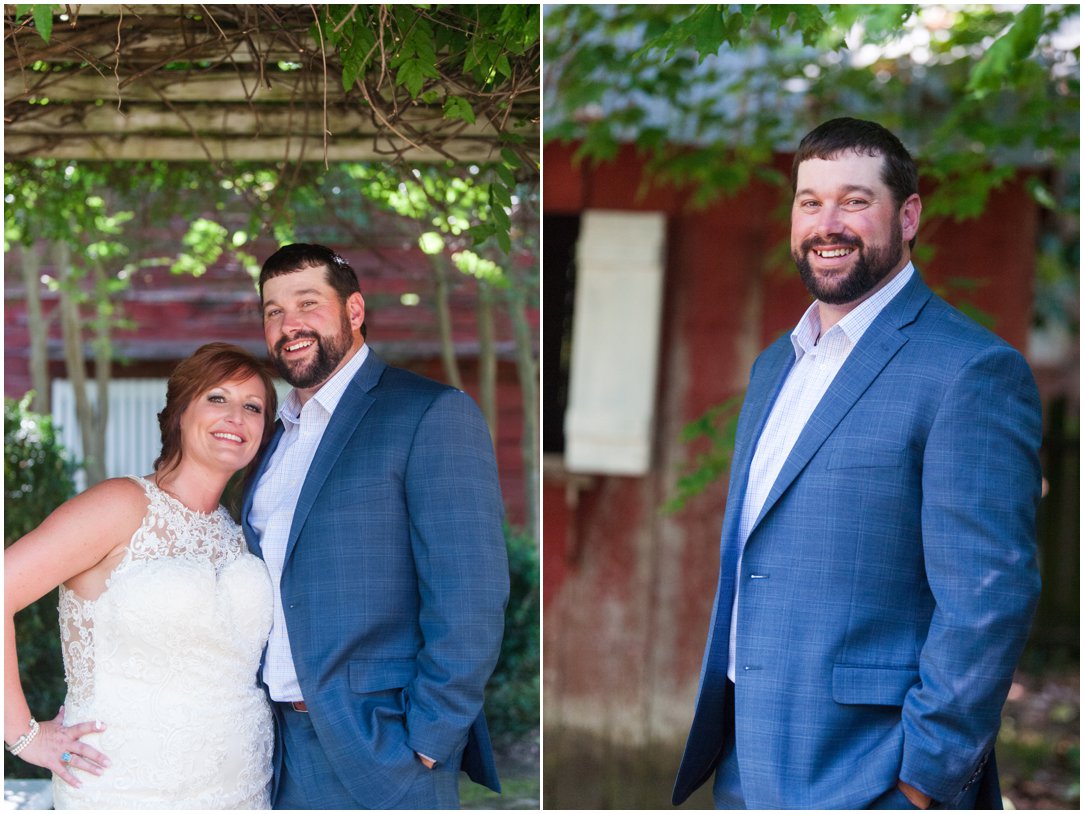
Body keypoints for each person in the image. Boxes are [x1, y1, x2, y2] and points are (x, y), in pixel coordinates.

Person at [672, 118, 1043, 810]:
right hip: (747, 761)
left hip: (872, 770)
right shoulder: (775, 366)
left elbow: (989, 596)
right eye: (810, 202)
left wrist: (923, 783)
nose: (828, 224)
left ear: (908, 216)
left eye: (855, 200)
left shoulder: (970, 371)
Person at [242, 243, 509, 810]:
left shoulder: (429, 413)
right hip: (275, 749)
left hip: (382, 746)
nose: (289, 325)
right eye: (273, 311)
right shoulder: (270, 436)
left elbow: (470, 593)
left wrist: (430, 738)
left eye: (308, 303)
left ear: (354, 310)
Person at [4, 342, 279, 808]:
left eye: (253, 407)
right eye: (217, 398)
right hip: (125, 786)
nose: (236, 416)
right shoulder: (120, 505)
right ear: (180, 413)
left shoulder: (238, 533)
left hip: (243, 788)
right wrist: (23, 736)